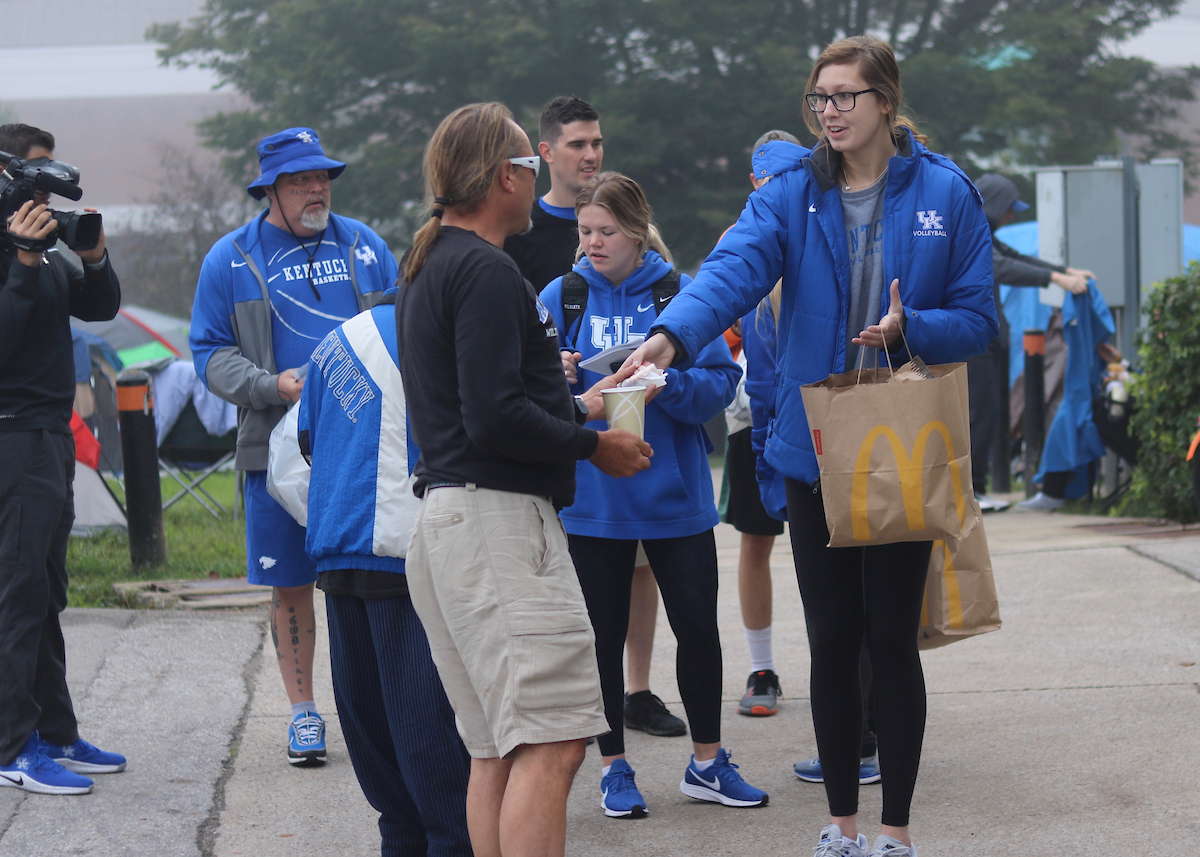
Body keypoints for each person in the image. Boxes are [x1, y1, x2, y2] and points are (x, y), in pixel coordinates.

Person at [625, 35, 997, 857]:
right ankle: (840, 824)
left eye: (845, 97)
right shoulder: (790, 193)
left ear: (885, 103)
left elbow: (980, 318)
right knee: (831, 637)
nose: (828, 111)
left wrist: (914, 327)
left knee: (891, 638)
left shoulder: (946, 192)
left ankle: (894, 828)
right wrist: (670, 336)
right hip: (811, 447)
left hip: (900, 441)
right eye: (818, 98)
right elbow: (730, 270)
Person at [397, 102, 651, 857]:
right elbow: (494, 417)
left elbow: (485, 403)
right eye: (531, 166)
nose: (537, 180)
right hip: (497, 528)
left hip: (455, 521)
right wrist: (591, 443)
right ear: (504, 176)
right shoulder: (481, 269)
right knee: (555, 740)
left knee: (496, 747)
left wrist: (583, 402)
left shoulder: (433, 262)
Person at [540, 171, 767, 819]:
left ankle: (708, 762)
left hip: (676, 498)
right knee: (601, 640)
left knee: (698, 631)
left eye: (607, 231)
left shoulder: (681, 293)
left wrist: (673, 386)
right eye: (584, 232)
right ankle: (614, 768)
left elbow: (722, 387)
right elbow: (527, 399)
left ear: (638, 232)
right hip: (594, 504)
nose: (593, 244)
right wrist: (552, 377)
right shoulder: (562, 296)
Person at [190, 127, 398, 766]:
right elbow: (208, 353)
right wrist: (268, 384)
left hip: (368, 443)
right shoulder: (229, 258)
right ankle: (304, 713)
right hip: (273, 445)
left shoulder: (365, 245)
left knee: (378, 577)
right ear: (269, 190)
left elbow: (404, 322)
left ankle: (385, 704)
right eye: (301, 181)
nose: (316, 190)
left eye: (323, 178)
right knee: (290, 585)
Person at [505, 95, 684, 739]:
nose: (590, 154)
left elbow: (680, 322)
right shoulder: (522, 232)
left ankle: (636, 689)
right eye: (577, 144)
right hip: (557, 430)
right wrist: (553, 366)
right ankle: (567, 700)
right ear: (545, 154)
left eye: (597, 143)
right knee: (560, 574)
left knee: (638, 567)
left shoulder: (625, 220)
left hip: (633, 435)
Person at [297, 287, 472, 855]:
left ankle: (402, 839)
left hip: (337, 549)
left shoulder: (335, 340)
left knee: (371, 737)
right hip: (406, 552)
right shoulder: (437, 334)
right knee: (427, 735)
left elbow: (306, 439)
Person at [743, 135, 885, 785]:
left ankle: (855, 741)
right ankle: (871, 732)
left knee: (834, 614)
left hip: (811, 451)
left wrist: (769, 466)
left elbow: (766, 388)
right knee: (863, 605)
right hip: (854, 441)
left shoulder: (771, 273)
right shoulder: (832, 242)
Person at [0, 123, 127, 795]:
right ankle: (11, 746)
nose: (54, 182)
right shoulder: (11, 250)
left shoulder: (46, 248)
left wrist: (95, 256)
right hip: (12, 438)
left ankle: (54, 732)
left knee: (46, 594)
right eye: (40, 170)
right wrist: (19, 266)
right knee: (16, 596)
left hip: (50, 436)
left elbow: (100, 306)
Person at [722, 130, 802, 718]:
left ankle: (843, 668)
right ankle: (761, 667)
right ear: (754, 185)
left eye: (789, 179)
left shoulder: (820, 229)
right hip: (752, 415)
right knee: (756, 541)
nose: (778, 191)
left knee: (827, 547)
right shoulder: (740, 239)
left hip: (813, 414)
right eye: (768, 181)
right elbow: (716, 322)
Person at [969, 173, 1092, 513]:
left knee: (990, 412)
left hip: (990, 337)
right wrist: (1055, 278)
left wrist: (1064, 270)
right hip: (972, 340)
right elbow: (1000, 267)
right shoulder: (968, 232)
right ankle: (972, 490)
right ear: (993, 205)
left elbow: (1017, 257)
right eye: (1009, 209)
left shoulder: (986, 233)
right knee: (978, 413)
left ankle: (976, 488)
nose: (1012, 216)